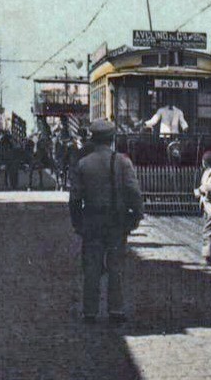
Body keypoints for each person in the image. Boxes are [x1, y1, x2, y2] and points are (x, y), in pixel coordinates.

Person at [70, 119, 144, 324]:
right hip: (116, 221)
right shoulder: (122, 162)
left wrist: (78, 224)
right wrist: (137, 215)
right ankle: (116, 310)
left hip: (92, 221)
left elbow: (75, 198)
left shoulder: (83, 164)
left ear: (93, 139)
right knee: (116, 266)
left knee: (92, 267)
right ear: (112, 139)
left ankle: (90, 311)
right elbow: (134, 192)